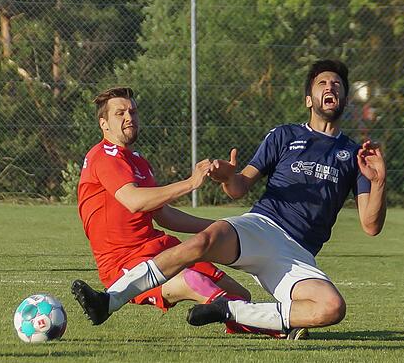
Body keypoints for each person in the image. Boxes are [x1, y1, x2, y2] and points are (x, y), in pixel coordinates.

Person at [72, 60, 387, 339]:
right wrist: (226, 177)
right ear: (309, 99)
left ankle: (230, 312)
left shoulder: (354, 155)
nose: (330, 87)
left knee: (331, 308)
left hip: (297, 254)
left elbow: (371, 226)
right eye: (322, 83)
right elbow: (238, 187)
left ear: (344, 98)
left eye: (337, 85)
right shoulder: (285, 136)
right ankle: (108, 301)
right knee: (201, 243)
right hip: (262, 227)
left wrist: (379, 182)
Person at [75, 87, 287, 338]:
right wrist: (190, 183)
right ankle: (281, 327)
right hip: (125, 264)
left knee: (240, 295)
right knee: (193, 282)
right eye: (120, 113)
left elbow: (163, 215)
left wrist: (218, 227)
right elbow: (134, 201)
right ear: (104, 124)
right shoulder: (104, 156)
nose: (129, 117)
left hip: (162, 249)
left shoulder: (138, 161)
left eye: (132, 111)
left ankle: (240, 321)